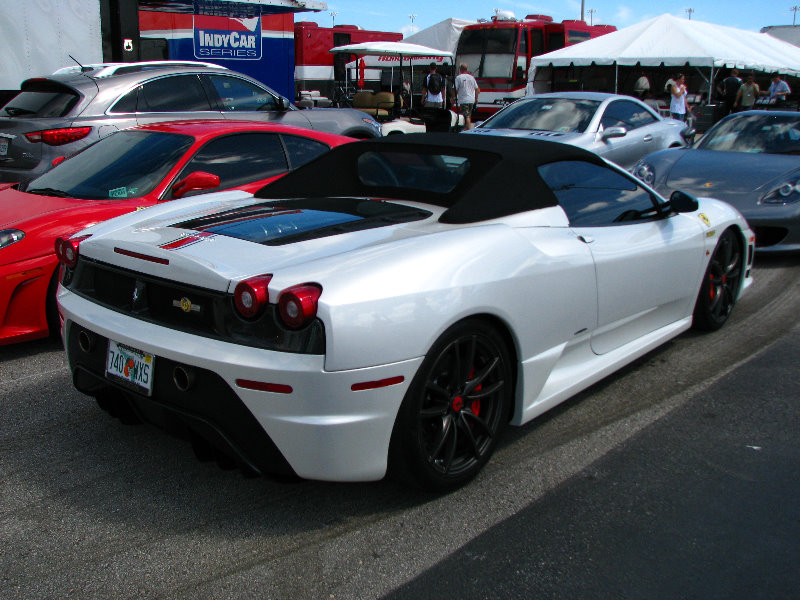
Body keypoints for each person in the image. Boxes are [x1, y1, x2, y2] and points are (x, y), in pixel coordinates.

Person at [452, 63, 480, 130]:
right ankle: (467, 128)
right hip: (471, 100)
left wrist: (452, 97)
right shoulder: (472, 77)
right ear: (466, 69)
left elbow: (454, 88)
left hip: (464, 99)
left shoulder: (458, 77)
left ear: (460, 69)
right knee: (469, 115)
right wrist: (476, 98)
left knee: (466, 116)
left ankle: (468, 129)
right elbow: (477, 89)